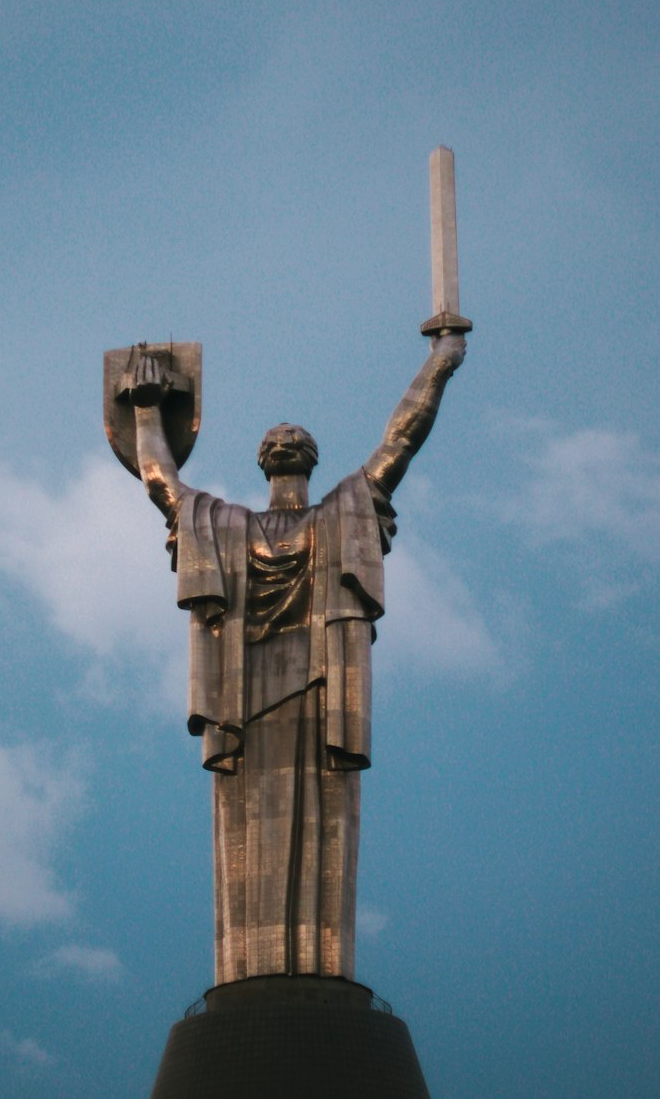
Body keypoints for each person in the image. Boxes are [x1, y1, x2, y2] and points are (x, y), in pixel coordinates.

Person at [127, 332, 464, 985]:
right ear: (300, 461)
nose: (282, 441)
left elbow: (161, 483)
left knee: (307, 824)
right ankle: (272, 969)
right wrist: (440, 362)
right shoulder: (314, 516)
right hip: (276, 703)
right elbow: (400, 440)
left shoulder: (234, 526)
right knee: (278, 828)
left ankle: (286, 968)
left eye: (285, 438)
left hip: (296, 696)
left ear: (275, 462)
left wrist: (146, 410)